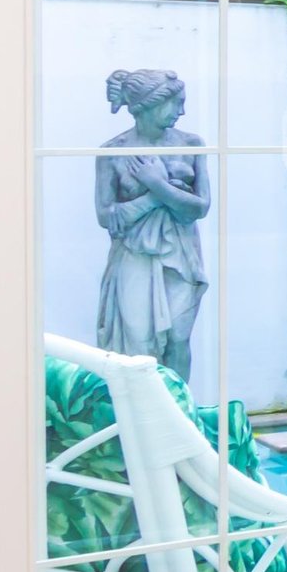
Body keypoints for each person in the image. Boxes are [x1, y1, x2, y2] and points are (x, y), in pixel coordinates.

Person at [95, 67, 209, 379]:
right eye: (175, 104)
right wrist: (158, 193)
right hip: (134, 254)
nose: (181, 112)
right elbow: (105, 215)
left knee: (178, 338)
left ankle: (179, 404)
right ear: (148, 104)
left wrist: (157, 184)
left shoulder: (192, 144)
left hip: (181, 253)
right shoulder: (113, 151)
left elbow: (200, 207)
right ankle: (140, 408)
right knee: (138, 343)